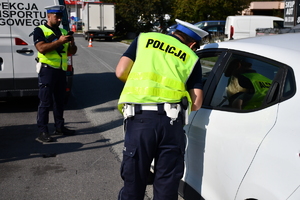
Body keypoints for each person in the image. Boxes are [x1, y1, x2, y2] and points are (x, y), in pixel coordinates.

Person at [115, 19, 208, 200]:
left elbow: (120, 72)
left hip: (140, 120)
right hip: (171, 124)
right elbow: (197, 103)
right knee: (166, 186)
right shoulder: (190, 56)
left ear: (174, 33)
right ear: (193, 44)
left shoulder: (144, 39)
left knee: (134, 183)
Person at [33, 5, 77, 143]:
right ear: (48, 16)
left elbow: (72, 51)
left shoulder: (63, 31)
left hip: (60, 70)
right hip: (47, 70)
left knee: (59, 101)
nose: (58, 19)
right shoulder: (40, 30)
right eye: (56, 17)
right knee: (45, 102)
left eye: (60, 17)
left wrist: (71, 42)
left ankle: (60, 127)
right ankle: (43, 132)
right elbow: (41, 48)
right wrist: (59, 41)